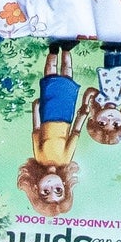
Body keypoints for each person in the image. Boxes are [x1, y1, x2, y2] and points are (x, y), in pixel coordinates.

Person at [19, 41, 84, 215]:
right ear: (64, 185)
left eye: (46, 191)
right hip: (65, 116)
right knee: (68, 77)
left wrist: (35, 110)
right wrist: (81, 116)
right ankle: (67, 50)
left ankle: (53, 50)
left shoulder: (40, 158)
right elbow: (75, 134)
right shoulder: (64, 160)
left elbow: (36, 131)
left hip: (47, 114)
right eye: (58, 190)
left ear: (36, 187)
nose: (51, 186)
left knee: (50, 77)